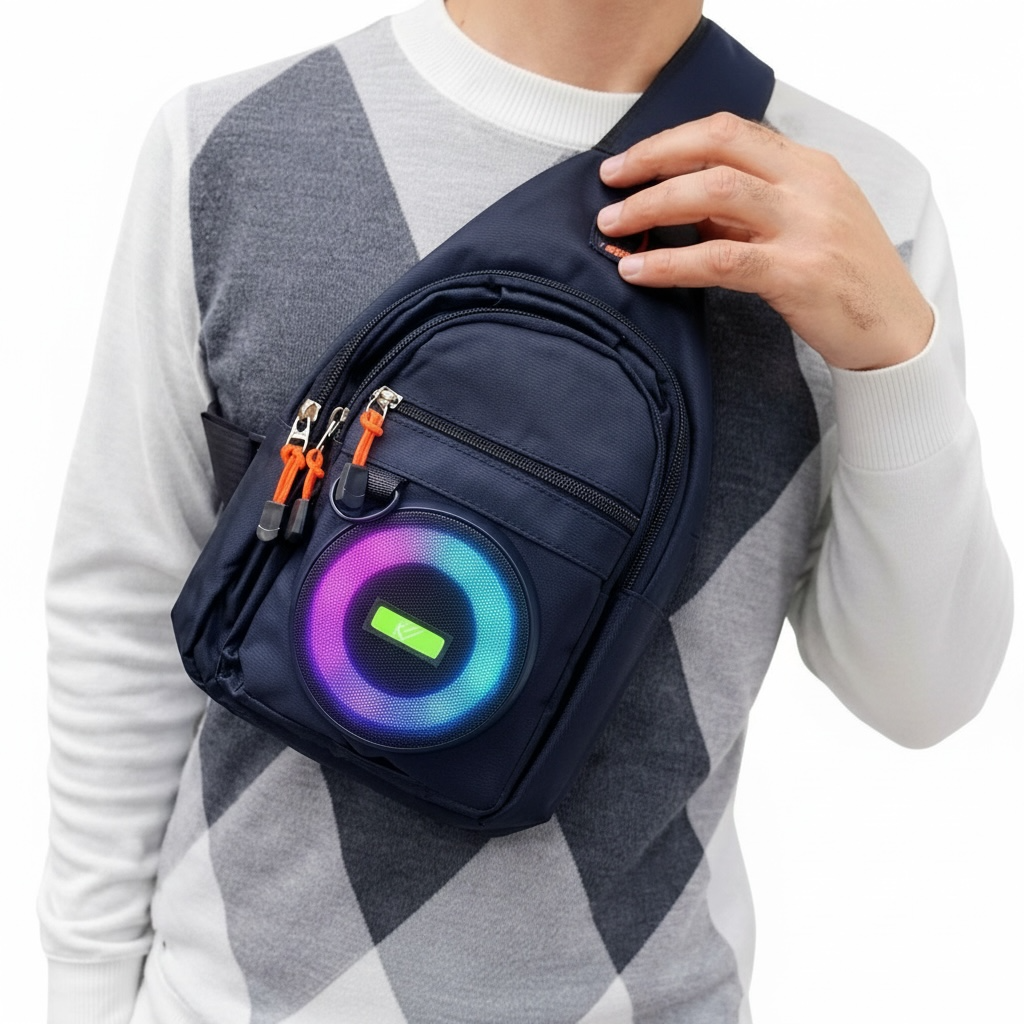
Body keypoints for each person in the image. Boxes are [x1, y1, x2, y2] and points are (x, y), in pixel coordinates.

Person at [41, 0, 1013, 1021]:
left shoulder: (861, 207)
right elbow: (123, 604)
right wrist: (85, 989)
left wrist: (893, 356)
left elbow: (920, 698)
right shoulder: (237, 138)